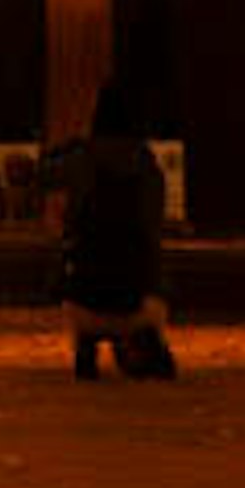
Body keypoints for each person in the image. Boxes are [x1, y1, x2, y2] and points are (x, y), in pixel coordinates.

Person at [53, 85, 176, 381]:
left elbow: (40, 175)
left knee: (72, 261)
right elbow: (151, 229)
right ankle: (142, 340)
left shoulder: (82, 158)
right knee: (147, 257)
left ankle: (86, 345)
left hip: (85, 296)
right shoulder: (147, 167)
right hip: (140, 298)